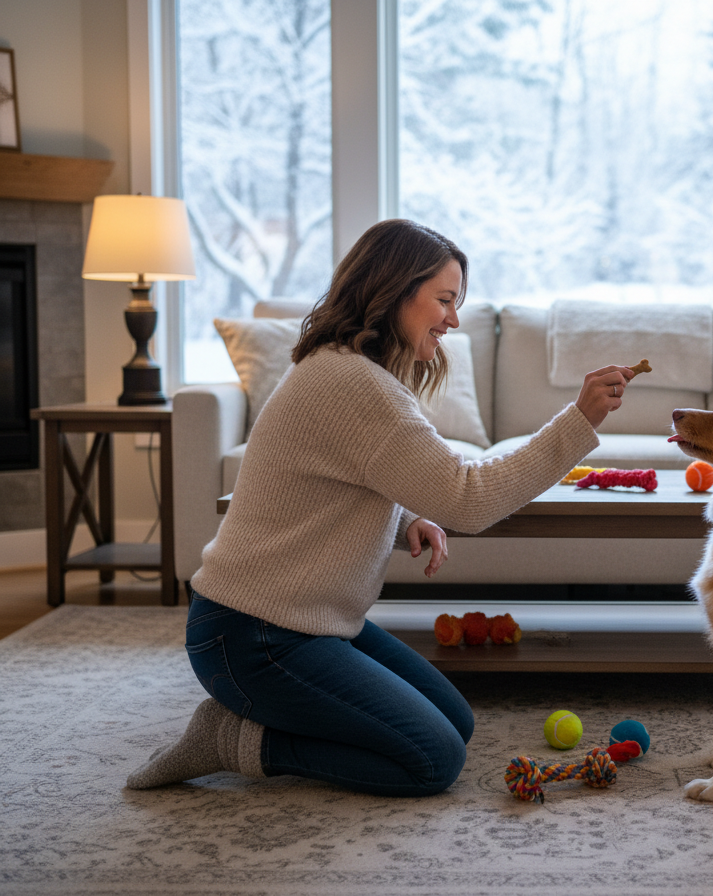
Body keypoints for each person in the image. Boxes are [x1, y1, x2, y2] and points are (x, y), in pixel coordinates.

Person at [127, 219, 635, 796]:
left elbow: (340, 483)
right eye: (444, 300)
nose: (453, 319)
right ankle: (234, 740)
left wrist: (406, 518)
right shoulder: (352, 384)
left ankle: (274, 714)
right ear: (395, 290)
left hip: (311, 624)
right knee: (432, 759)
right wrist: (578, 421)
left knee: (456, 721)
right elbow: (469, 499)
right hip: (253, 636)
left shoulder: (351, 371)